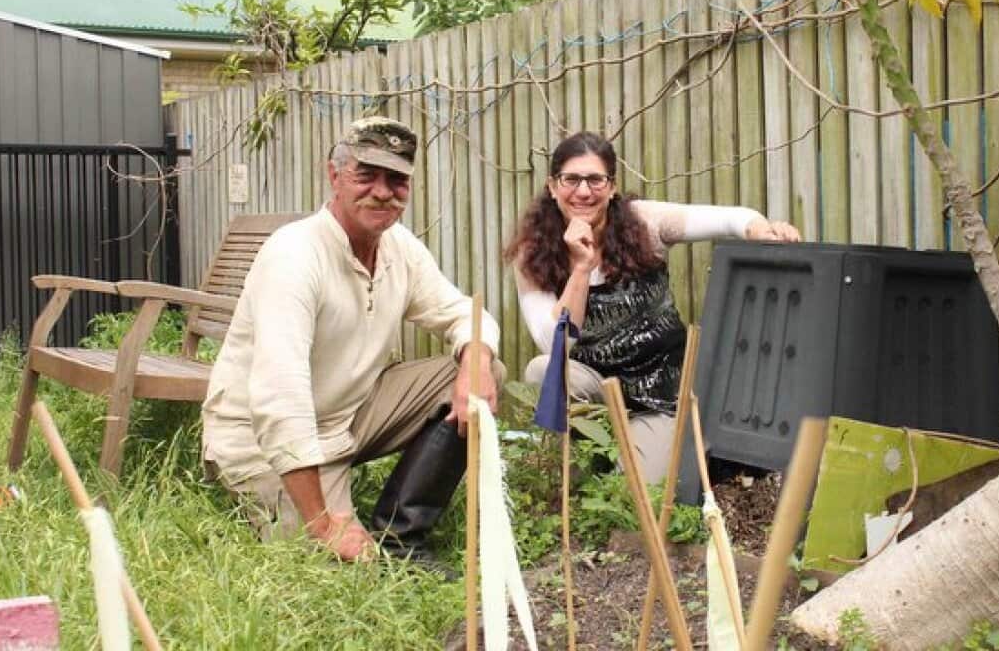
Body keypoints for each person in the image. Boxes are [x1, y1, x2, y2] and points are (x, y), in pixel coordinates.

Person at [202, 116, 500, 563]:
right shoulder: (295, 255)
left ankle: (401, 539)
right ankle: (335, 525)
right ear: (334, 175)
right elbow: (280, 400)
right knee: (335, 568)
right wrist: (324, 523)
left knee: (482, 367)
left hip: (346, 418)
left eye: (397, 180)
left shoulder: (400, 247)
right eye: (367, 175)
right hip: (258, 439)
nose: (382, 191)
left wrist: (475, 364)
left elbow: (462, 313)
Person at [504, 131, 800, 482]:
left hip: (659, 391)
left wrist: (763, 231)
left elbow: (733, 218)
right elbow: (557, 345)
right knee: (542, 370)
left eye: (596, 179)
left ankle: (651, 452)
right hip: (596, 387)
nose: (583, 192)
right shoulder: (533, 252)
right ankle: (581, 469)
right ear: (553, 186)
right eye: (571, 179)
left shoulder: (644, 223)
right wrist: (581, 268)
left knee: (637, 493)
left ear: (611, 186)